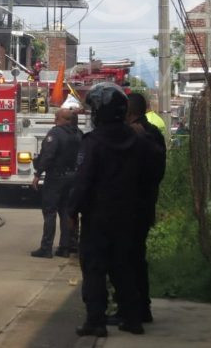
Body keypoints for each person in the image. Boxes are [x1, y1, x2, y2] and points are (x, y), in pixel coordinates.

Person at [69, 83, 157, 337]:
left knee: (94, 268)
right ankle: (132, 319)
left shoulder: (93, 142)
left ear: (99, 112)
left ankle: (95, 321)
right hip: (129, 215)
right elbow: (152, 173)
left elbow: (83, 181)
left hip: (98, 217)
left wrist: (72, 211)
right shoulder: (139, 140)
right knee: (124, 266)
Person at [114, 92, 167, 325]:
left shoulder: (136, 135)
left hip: (130, 207)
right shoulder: (153, 133)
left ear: (129, 112)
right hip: (145, 205)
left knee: (126, 259)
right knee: (136, 257)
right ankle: (142, 308)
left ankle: (130, 311)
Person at [30, 108, 82, 258]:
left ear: (62, 119)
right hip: (72, 177)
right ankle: (65, 248)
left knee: (50, 211)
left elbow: (48, 155)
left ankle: (46, 248)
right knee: (65, 212)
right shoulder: (79, 134)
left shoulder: (55, 133)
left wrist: (38, 174)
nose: (54, 120)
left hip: (55, 178)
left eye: (56, 117)